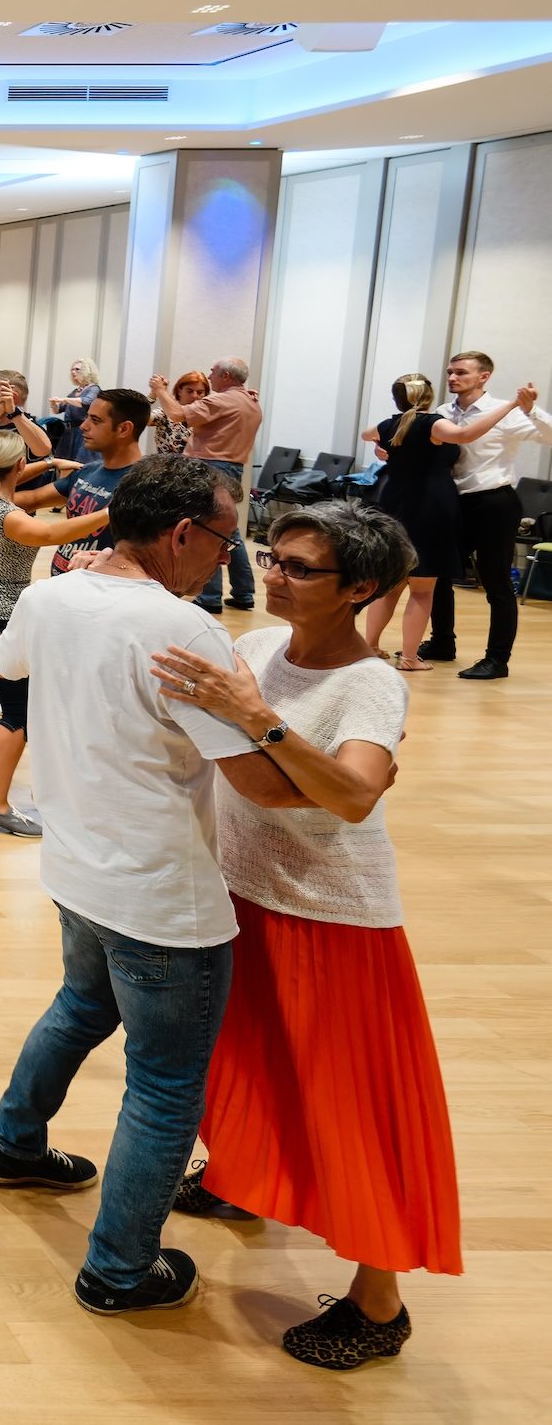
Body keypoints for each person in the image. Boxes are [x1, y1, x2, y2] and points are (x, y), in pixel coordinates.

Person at [0, 455, 313, 1316]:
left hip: (76, 864)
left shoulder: (56, 592)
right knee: (164, 1084)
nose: (226, 560)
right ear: (181, 534)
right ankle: (121, 1268)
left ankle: (14, 1143)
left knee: (81, 1005)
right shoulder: (184, 628)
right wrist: (261, 716)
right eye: (227, 541)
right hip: (162, 894)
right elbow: (263, 785)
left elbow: (2, 664)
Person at [147, 502, 455, 1370]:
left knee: (351, 1105)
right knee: (245, 1061)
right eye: (271, 556)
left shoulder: (371, 682)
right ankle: (245, 1178)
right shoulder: (252, 649)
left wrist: (258, 720)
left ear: (360, 588)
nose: (273, 573)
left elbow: (355, 795)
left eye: (299, 566)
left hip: (334, 918)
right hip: (241, 891)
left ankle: (380, 1298)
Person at [0, 430, 111, 836]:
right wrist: (110, 513)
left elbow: (18, 482)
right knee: (19, 710)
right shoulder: (6, 514)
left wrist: (50, 465)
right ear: (18, 466)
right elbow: (50, 535)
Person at [363, 371, 531, 670]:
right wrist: (509, 405)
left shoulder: (390, 423)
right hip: (429, 506)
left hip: (394, 503)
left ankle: (370, 645)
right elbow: (466, 435)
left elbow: (367, 433)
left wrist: (381, 444)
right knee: (422, 588)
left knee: (390, 584)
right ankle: (411, 658)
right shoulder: (432, 424)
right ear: (427, 395)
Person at [420, 351, 552, 679]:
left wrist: (531, 408)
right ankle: (442, 643)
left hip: (495, 502)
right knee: (435, 574)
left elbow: (549, 436)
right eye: (450, 372)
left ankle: (497, 660)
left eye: (461, 372)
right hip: (455, 502)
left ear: (484, 376)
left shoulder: (504, 410)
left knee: (496, 583)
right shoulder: (443, 411)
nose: (452, 378)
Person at [149, 358, 263, 614]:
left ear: (225, 375)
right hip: (233, 468)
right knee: (229, 533)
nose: (210, 377)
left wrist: (160, 392)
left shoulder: (221, 401)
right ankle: (244, 594)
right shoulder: (251, 401)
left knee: (205, 533)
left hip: (210, 468)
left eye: (213, 372)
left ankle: (210, 597)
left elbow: (177, 415)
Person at [34, 388, 150, 575]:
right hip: (63, 584)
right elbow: (29, 499)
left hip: (103, 593)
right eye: (87, 417)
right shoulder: (88, 470)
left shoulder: (147, 485)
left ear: (124, 429)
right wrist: (49, 463)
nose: (83, 426)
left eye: (95, 420)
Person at [48, 360, 100, 467]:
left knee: (81, 463)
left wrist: (64, 399)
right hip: (69, 432)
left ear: (87, 371)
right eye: (72, 369)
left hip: (82, 433)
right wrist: (54, 404)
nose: (73, 372)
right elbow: (58, 410)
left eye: (77, 369)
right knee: (65, 463)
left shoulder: (94, 388)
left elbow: (86, 402)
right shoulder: (75, 391)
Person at [149, 371, 205, 458]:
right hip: (166, 469)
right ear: (179, 391)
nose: (195, 396)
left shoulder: (207, 416)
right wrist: (152, 395)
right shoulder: (165, 413)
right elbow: (140, 418)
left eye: (200, 392)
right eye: (189, 391)